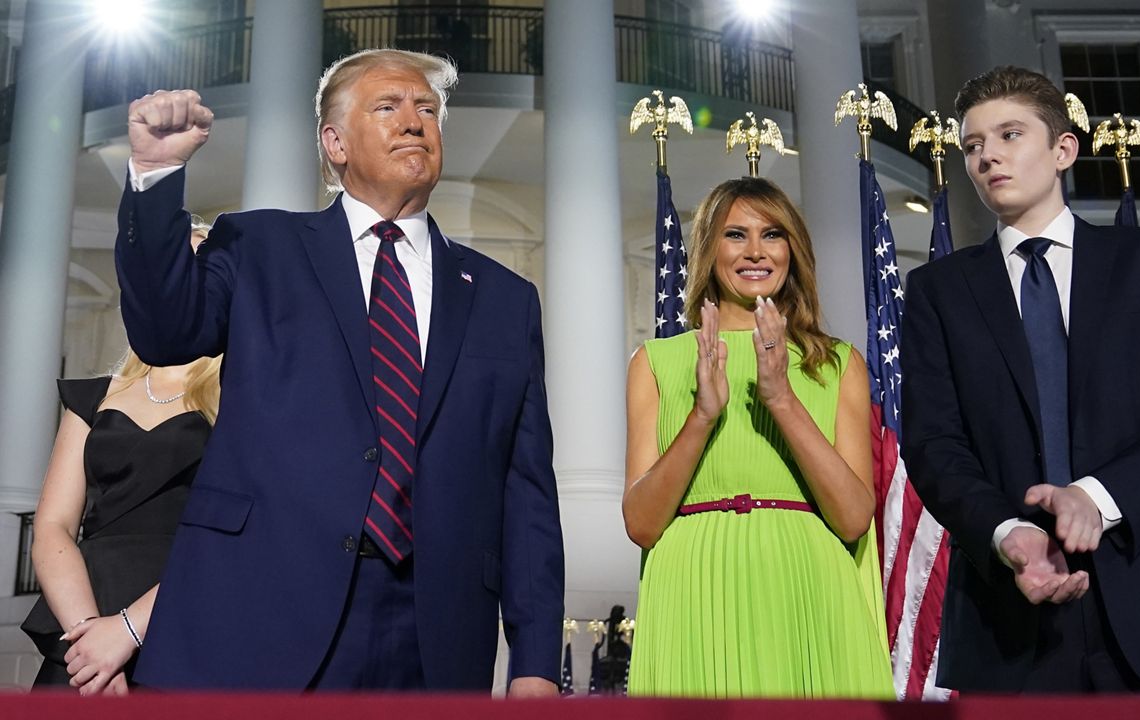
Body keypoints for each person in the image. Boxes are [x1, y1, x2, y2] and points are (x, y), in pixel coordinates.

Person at [114, 49, 563, 693]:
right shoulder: (257, 245)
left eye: (428, 110)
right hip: (258, 611)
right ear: (335, 143)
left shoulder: (504, 298)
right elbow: (165, 332)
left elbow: (527, 494)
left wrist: (537, 663)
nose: (415, 122)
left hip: (434, 631)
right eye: (388, 107)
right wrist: (156, 174)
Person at [900, 65, 1140, 692]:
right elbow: (934, 445)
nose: (988, 157)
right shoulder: (938, 292)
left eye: (1009, 135)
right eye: (973, 146)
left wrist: (1097, 497)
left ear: (1063, 148)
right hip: (1010, 617)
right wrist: (1009, 534)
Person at [623, 177, 893, 698]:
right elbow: (641, 523)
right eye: (734, 235)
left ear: (792, 249)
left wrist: (782, 399)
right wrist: (702, 415)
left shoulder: (838, 364)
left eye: (772, 234)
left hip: (807, 587)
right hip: (694, 591)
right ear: (708, 249)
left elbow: (855, 517)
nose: (754, 252)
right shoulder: (655, 363)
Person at [24, 227, 221, 695]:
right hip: (83, 615)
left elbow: (237, 537)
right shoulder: (93, 397)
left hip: (187, 611)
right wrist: (89, 640)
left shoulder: (242, 399)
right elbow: (52, 528)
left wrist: (128, 631)